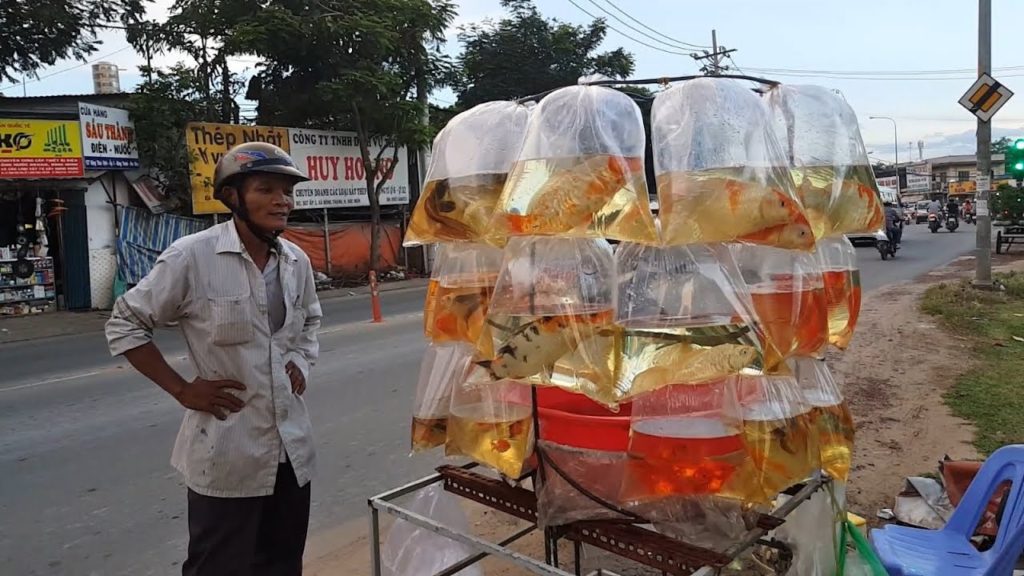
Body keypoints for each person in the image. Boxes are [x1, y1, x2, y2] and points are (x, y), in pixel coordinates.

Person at [105, 142, 322, 576]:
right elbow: (125, 323)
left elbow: (310, 320)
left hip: (291, 451)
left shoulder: (295, 260)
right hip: (228, 453)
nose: (282, 201)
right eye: (266, 189)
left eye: (288, 192)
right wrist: (183, 389)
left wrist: (300, 357)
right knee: (218, 566)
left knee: (282, 564)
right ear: (232, 197)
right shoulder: (192, 256)